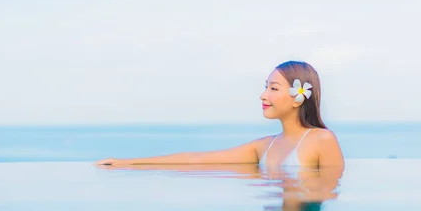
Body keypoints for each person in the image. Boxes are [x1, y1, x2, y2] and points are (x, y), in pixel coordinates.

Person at [95, 60, 344, 169]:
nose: (263, 95)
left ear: (298, 97)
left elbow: (331, 195)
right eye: (265, 86)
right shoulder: (264, 147)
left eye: (273, 88)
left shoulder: (321, 140)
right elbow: (199, 159)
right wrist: (126, 163)